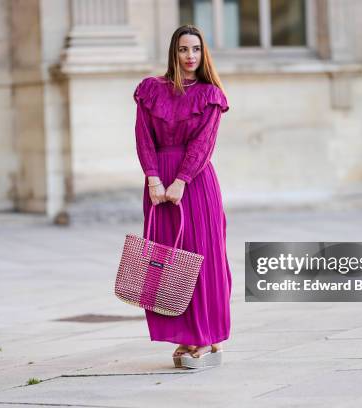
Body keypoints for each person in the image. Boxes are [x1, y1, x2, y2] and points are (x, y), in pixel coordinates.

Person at [133, 25, 232, 369]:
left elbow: (204, 144)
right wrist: (154, 179)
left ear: (203, 54)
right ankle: (184, 334)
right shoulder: (151, 90)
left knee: (201, 257)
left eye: (195, 50)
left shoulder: (210, 94)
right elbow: (143, 137)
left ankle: (205, 336)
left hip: (196, 184)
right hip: (159, 184)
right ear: (173, 53)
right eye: (183, 50)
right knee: (168, 261)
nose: (190, 56)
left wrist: (181, 181)